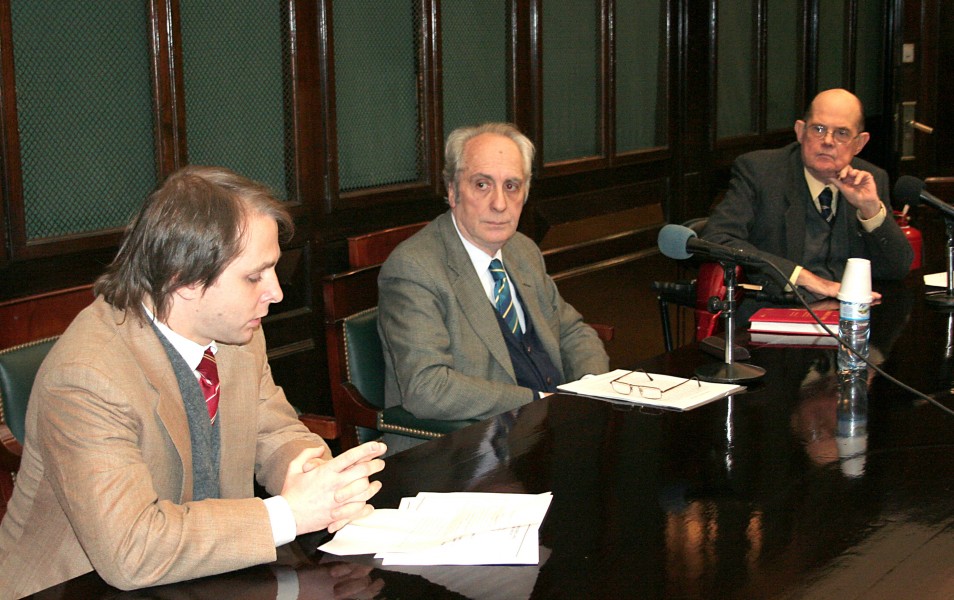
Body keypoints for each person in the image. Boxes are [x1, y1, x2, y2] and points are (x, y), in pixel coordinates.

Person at [0, 166, 386, 598]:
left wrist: (310, 472)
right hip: (74, 589)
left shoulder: (237, 332)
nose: (276, 292)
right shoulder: (86, 379)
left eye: (273, 269)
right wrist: (289, 515)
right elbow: (132, 550)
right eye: (254, 276)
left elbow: (273, 428)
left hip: (208, 578)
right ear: (182, 280)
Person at [377, 122, 609, 452]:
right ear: (453, 191)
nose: (500, 203)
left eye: (512, 186)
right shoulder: (415, 268)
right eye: (482, 184)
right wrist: (538, 401)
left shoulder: (522, 250)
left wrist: (590, 388)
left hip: (547, 434)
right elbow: (427, 388)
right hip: (464, 452)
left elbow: (573, 331)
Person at [702, 88, 913, 321]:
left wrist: (870, 210)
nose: (828, 142)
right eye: (819, 129)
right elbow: (717, 238)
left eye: (842, 133)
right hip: (775, 317)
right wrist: (799, 276)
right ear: (800, 132)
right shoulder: (760, 172)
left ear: (859, 143)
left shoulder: (870, 179)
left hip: (849, 319)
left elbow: (896, 269)